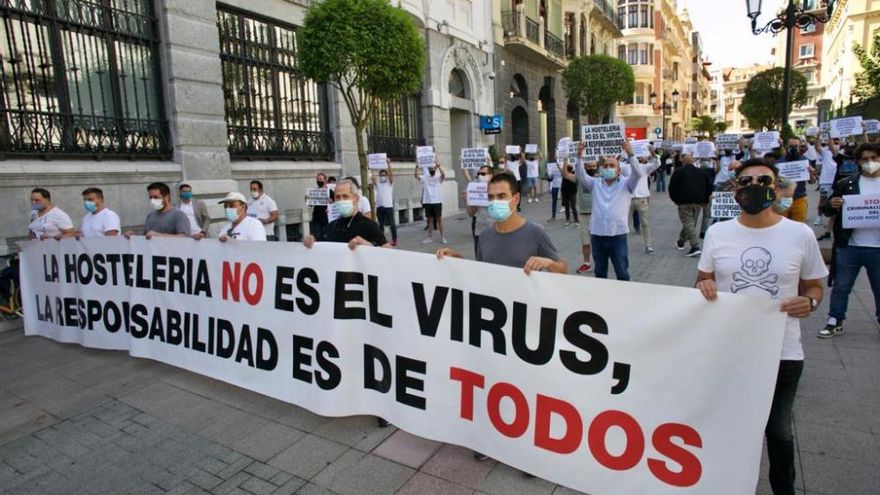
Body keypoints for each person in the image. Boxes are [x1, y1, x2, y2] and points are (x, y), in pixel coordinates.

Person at [695, 158, 827, 495]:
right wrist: (704, 287)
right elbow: (703, 278)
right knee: (730, 425)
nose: (754, 187)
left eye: (763, 181)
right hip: (728, 351)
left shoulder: (800, 234)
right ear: (735, 189)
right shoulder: (717, 233)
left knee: (779, 430)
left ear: (776, 187)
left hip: (782, 351)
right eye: (745, 181)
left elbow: (814, 286)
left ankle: (784, 489)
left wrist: (809, 302)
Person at [436, 172, 566, 273]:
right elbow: (480, 272)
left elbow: (563, 270)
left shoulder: (536, 232)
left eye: (501, 196)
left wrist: (548, 264)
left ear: (515, 199)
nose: (495, 201)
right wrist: (456, 258)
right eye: (491, 197)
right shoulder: (485, 235)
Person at [817, 143, 880, 338]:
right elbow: (827, 210)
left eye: (874, 158)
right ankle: (835, 320)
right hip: (850, 245)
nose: (869, 162)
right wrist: (832, 204)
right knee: (841, 286)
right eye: (865, 159)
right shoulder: (847, 184)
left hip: (877, 247)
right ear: (858, 162)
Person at [575, 140, 644, 280]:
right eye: (605, 166)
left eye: (612, 165)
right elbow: (580, 175)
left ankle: (623, 299)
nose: (608, 168)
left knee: (622, 272)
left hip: (617, 236)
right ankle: (601, 299)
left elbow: (637, 173)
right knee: (600, 272)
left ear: (619, 170)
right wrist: (579, 155)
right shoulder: (595, 183)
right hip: (597, 236)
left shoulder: (627, 184)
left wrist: (630, 153)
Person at [303, 179, 390, 249]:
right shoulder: (331, 226)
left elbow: (389, 253)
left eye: (345, 196)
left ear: (355, 199)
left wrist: (368, 246)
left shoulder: (369, 225)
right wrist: (312, 239)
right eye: (337, 197)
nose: (341, 200)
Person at [669, 150, 712, 257]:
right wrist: (705, 201)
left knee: (689, 224)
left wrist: (676, 200)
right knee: (690, 223)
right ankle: (681, 241)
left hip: (684, 203)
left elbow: (671, 188)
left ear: (683, 161)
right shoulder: (702, 172)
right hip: (698, 203)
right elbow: (709, 187)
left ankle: (695, 246)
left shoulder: (678, 172)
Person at [124, 182, 190, 239]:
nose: (152, 200)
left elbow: (184, 238)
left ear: (166, 197)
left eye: (156, 197)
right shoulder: (150, 216)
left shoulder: (179, 215)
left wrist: (159, 236)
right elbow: (146, 237)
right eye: (150, 197)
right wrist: (134, 236)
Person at [628, 148, 662, 254]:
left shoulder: (645, 168)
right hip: (628, 198)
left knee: (645, 223)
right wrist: (624, 153)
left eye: (640, 156)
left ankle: (648, 245)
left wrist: (652, 153)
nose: (638, 157)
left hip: (642, 198)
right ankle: (622, 244)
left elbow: (657, 164)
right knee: (624, 223)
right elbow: (617, 165)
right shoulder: (626, 167)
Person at [415, 160, 447, 244]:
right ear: (428, 169)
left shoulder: (438, 177)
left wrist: (439, 166)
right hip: (428, 201)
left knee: (439, 219)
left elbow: (444, 175)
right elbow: (416, 176)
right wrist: (416, 167)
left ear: (435, 168)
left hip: (437, 201)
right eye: (430, 168)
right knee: (430, 220)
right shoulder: (425, 177)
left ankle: (443, 237)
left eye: (433, 168)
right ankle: (430, 237)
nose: (432, 169)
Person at [468, 164, 493, 256]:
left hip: (493, 224)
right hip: (479, 225)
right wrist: (468, 200)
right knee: (479, 252)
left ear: (491, 175)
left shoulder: (497, 189)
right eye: (479, 174)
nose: (480, 176)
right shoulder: (475, 188)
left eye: (483, 174)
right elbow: (471, 213)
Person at [372, 161, 397, 246]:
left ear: (386, 176)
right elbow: (372, 177)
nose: (382, 176)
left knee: (392, 224)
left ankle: (394, 239)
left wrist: (389, 164)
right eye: (381, 175)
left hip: (388, 206)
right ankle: (381, 240)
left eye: (384, 175)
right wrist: (370, 164)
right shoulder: (378, 183)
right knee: (380, 225)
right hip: (380, 207)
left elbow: (391, 175)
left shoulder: (389, 183)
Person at [309, 172, 332, 241]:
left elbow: (335, 204)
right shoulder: (314, 192)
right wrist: (307, 199)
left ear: (325, 180)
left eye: (321, 179)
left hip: (327, 218)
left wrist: (331, 202)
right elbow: (310, 204)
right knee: (318, 237)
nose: (319, 181)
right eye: (318, 179)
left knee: (329, 236)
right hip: (317, 218)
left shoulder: (330, 191)